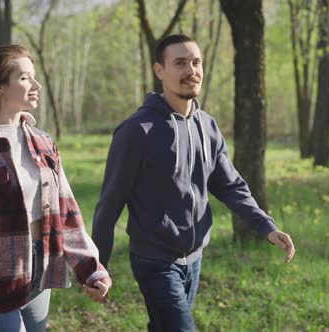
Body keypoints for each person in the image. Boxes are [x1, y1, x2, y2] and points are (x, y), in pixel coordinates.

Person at [91, 34, 295, 332]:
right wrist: (97, 267)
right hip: (154, 259)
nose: (192, 70)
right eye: (180, 63)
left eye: (196, 62)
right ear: (159, 70)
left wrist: (266, 226)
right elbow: (110, 202)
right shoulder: (137, 130)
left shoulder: (207, 126)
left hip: (195, 259)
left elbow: (230, 186)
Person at [0, 44, 111, 332]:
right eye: (25, 77)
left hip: (41, 269)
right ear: (0, 86)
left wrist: (91, 270)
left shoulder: (43, 143)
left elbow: (67, 214)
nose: (36, 85)